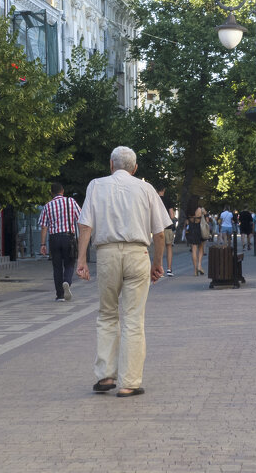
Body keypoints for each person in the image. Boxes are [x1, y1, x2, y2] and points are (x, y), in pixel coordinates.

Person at [75, 146, 169, 398]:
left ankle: (105, 375)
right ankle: (130, 382)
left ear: (110, 164)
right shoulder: (146, 188)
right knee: (133, 319)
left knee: (107, 314)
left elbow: (85, 225)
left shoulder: (96, 185)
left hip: (106, 254)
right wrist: (157, 263)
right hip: (138, 253)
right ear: (135, 168)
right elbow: (159, 233)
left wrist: (81, 259)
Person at [39, 182, 82, 302]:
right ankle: (67, 281)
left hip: (54, 239)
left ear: (51, 193)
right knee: (69, 263)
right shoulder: (71, 202)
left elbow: (44, 227)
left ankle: (60, 295)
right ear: (62, 191)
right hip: (68, 237)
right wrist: (80, 238)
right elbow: (80, 219)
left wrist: (42, 244)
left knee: (57, 267)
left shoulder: (47, 206)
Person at [184, 196, 207, 275]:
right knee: (201, 248)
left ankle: (195, 270)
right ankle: (199, 265)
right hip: (199, 229)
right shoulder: (201, 210)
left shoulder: (188, 211)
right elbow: (207, 220)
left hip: (191, 230)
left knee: (194, 249)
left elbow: (186, 222)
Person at [160, 187, 177, 276]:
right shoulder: (168, 200)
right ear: (164, 190)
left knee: (160, 249)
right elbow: (172, 215)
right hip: (167, 227)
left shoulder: (154, 200)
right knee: (169, 247)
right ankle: (169, 269)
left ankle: (160, 269)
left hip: (158, 228)